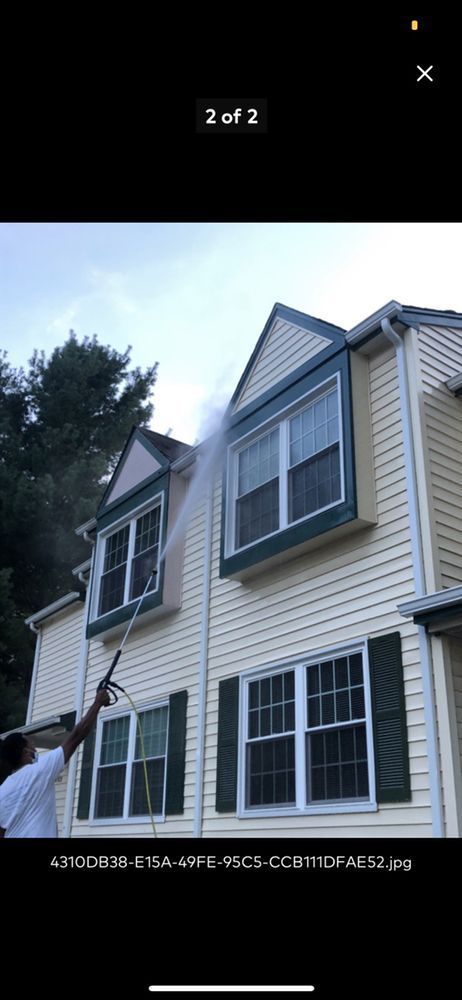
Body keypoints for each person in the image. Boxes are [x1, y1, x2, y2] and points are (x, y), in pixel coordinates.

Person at [0, 688, 110, 838]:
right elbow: (77, 736)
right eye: (32, 746)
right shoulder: (38, 771)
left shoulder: (3, 790)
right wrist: (97, 703)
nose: (35, 749)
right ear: (26, 752)